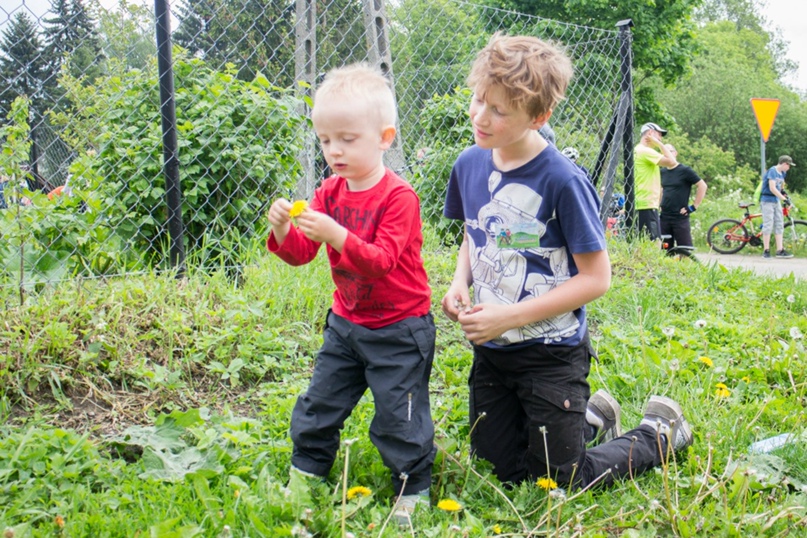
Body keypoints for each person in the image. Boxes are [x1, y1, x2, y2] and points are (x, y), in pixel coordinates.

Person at [441, 33, 693, 490]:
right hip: (494, 354)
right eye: (479, 100)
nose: (480, 116)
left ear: (539, 116)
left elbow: (596, 279)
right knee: (500, 471)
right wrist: (461, 282)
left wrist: (510, 316)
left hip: (550, 354)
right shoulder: (469, 164)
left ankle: (659, 435)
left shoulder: (562, 180)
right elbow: (475, 231)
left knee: (560, 481)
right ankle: (592, 420)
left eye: (499, 111)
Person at [266, 63, 436, 522]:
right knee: (319, 403)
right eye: (325, 140)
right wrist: (282, 230)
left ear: (385, 137)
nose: (334, 151)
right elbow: (302, 253)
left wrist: (337, 234)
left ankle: (412, 489)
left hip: (400, 327)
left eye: (347, 139)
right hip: (347, 325)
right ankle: (306, 475)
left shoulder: (399, 197)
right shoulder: (328, 192)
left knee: (399, 415)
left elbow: (381, 261)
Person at [634, 122, 677, 240]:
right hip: (646, 203)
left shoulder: (637, 150)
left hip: (641, 202)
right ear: (650, 133)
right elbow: (672, 162)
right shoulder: (645, 151)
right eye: (659, 135)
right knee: (654, 241)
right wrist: (659, 144)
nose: (660, 138)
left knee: (644, 241)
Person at [659, 144, 707, 251]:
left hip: (680, 216)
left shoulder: (685, 170)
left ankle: (684, 267)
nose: (667, 154)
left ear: (675, 153)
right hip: (664, 216)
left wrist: (693, 207)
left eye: (669, 151)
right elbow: (661, 189)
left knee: (685, 249)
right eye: (664, 152)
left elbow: (702, 185)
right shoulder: (662, 172)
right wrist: (659, 205)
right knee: (665, 249)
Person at [760, 155, 795, 258]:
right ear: (785, 164)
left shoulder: (783, 173)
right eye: (789, 165)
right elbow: (772, 188)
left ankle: (780, 250)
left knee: (779, 224)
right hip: (767, 200)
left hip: (776, 201)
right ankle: (766, 250)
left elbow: (780, 186)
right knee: (768, 224)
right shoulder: (772, 171)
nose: (789, 168)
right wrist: (783, 199)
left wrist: (784, 194)